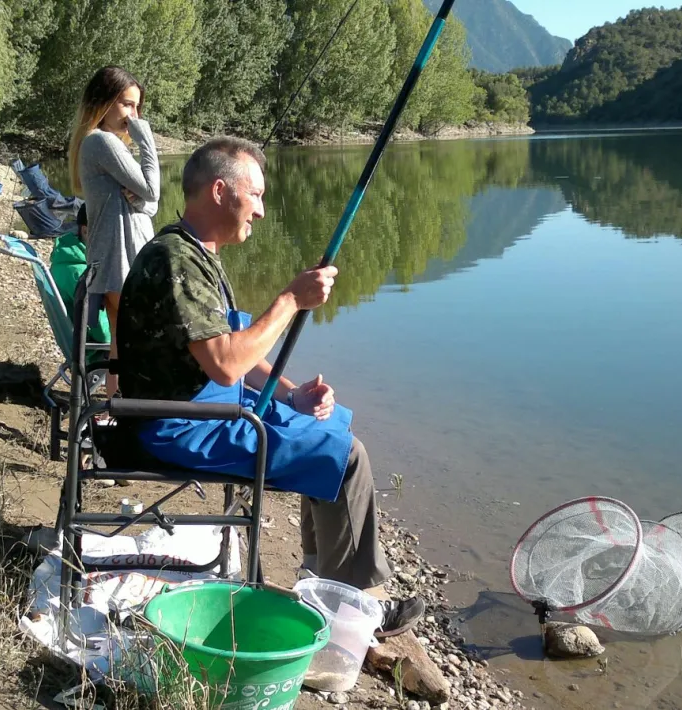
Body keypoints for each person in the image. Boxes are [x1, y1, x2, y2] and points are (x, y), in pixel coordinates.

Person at [115, 137, 425, 637]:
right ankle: (356, 603)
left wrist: (291, 394)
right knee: (347, 458)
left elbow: (236, 352)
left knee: (329, 422)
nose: (261, 210)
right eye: (255, 195)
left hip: (207, 408)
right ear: (220, 191)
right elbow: (222, 363)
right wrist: (289, 300)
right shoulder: (175, 260)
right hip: (181, 425)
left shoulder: (195, 252)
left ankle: (318, 573)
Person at [68, 66, 160, 396]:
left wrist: (144, 201)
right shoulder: (102, 142)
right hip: (120, 259)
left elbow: (149, 205)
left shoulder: (102, 144)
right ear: (102, 102)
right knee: (133, 339)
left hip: (122, 256)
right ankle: (121, 408)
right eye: (126, 104)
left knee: (122, 341)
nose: (133, 115)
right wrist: (146, 139)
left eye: (137, 107)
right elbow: (152, 191)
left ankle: (114, 408)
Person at [50, 204, 111, 356]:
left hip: (80, 347)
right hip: (96, 355)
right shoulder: (80, 274)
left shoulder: (65, 260)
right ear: (85, 230)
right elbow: (103, 334)